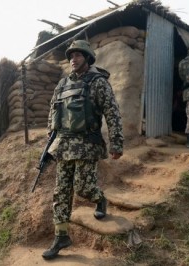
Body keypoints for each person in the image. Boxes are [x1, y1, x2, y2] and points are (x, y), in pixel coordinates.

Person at [42, 40, 124, 260]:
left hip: (87, 144)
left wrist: (117, 142)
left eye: (78, 55)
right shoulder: (62, 84)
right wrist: (51, 137)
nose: (73, 59)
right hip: (64, 145)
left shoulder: (98, 82)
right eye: (71, 56)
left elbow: (112, 112)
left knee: (83, 187)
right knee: (61, 192)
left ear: (87, 58)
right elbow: (53, 111)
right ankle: (61, 236)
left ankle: (99, 198)